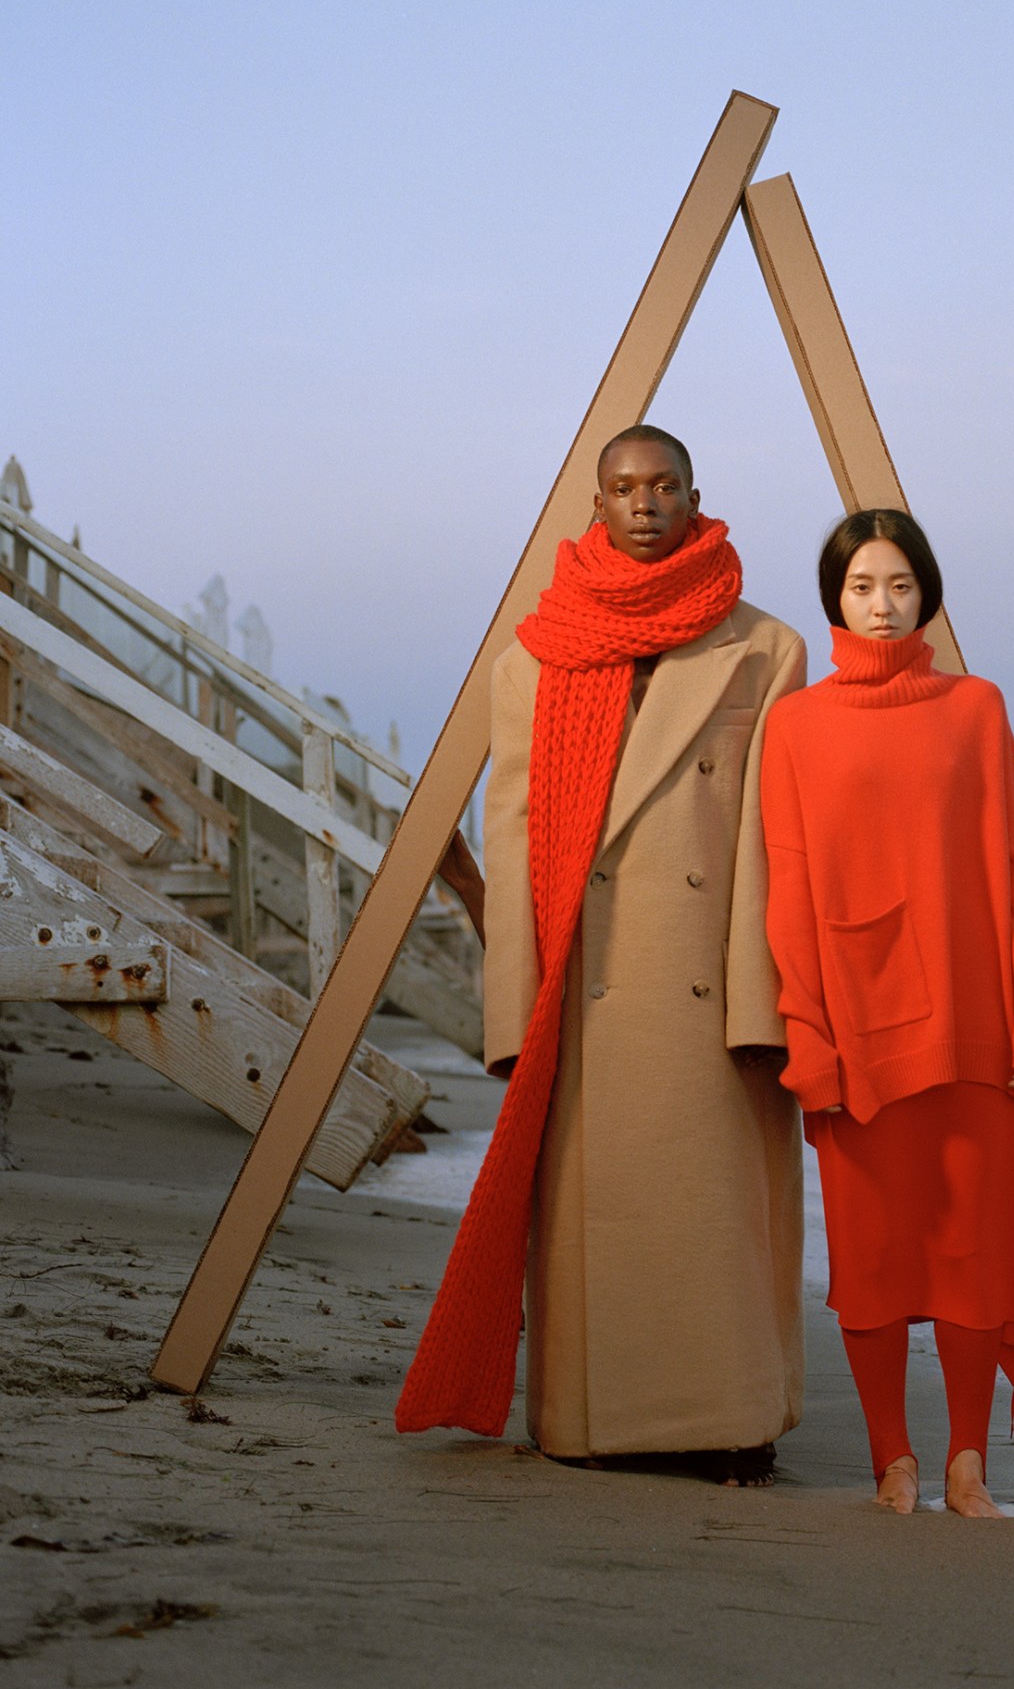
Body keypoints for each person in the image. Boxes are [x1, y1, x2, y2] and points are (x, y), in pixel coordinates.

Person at [397, 425, 805, 1487]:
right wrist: (508, 1017)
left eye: (662, 485)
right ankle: (587, 1423)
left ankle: (727, 1422)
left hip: (706, 988)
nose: (642, 503)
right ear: (596, 499)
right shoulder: (534, 654)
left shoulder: (763, 649)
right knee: (596, 1226)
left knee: (714, 1228)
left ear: (693, 495)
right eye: (623, 486)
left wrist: (762, 1010)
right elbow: (514, 828)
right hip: (586, 991)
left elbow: (776, 842)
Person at [760, 509, 1014, 1516]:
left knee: (973, 1249)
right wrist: (808, 1036)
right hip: (854, 1030)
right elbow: (786, 894)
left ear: (926, 592)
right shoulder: (792, 725)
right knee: (871, 1256)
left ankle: (965, 1463)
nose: (879, 607)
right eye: (858, 587)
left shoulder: (975, 709)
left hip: (973, 1025)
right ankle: (893, 1462)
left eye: (897, 585)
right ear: (831, 598)